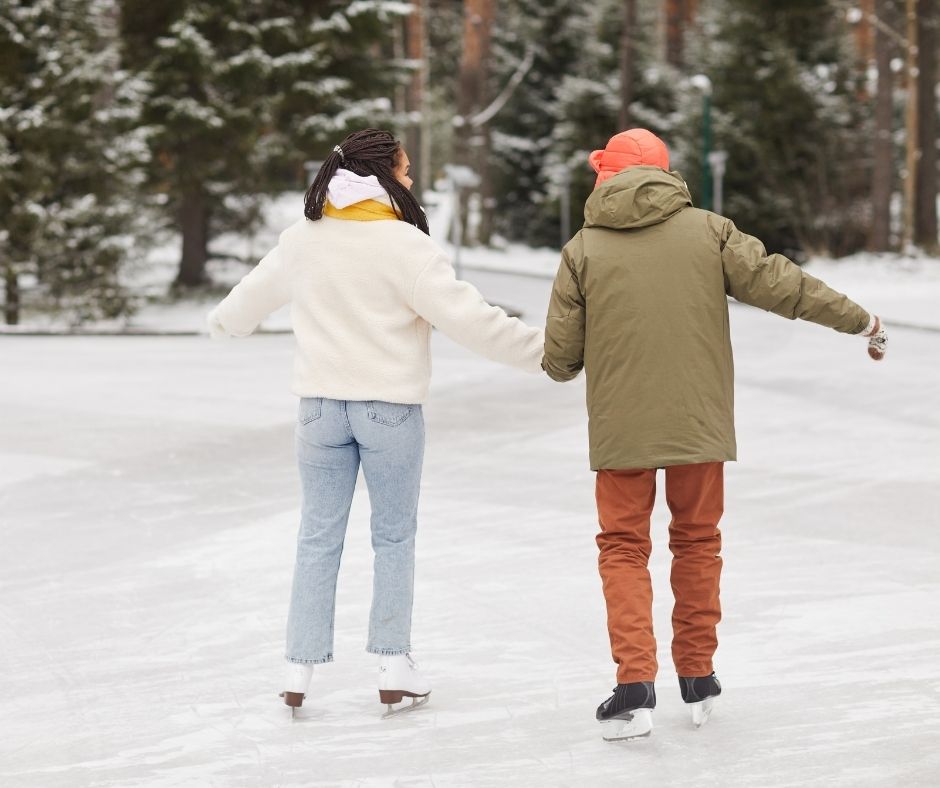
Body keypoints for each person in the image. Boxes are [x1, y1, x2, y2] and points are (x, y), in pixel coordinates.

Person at [541, 128, 887, 742]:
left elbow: (562, 358)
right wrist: (859, 319)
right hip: (699, 423)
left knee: (623, 546)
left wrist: (566, 355)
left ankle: (634, 683)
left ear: (607, 175)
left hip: (621, 428)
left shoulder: (583, 247)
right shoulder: (709, 232)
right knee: (697, 540)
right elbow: (784, 284)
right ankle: (697, 675)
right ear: (667, 175)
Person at [207, 128, 544, 717]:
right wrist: (545, 353)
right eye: (407, 171)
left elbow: (246, 302)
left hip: (317, 410)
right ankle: (393, 666)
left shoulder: (304, 238)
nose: (412, 181)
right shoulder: (405, 247)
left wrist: (224, 324)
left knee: (317, 536)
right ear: (384, 176)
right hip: (388, 409)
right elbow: (471, 320)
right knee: (392, 536)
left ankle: (298, 667)